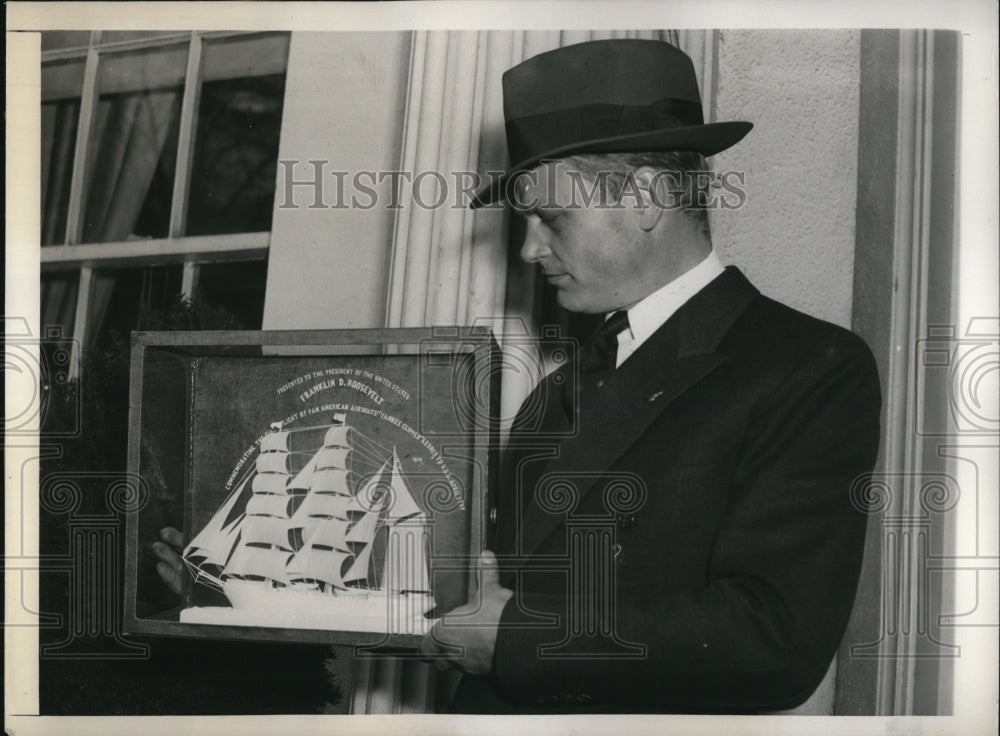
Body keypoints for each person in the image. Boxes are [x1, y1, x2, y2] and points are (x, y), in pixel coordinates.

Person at [415, 38, 882, 714]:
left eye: (550, 218)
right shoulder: (555, 393)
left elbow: (774, 639)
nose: (528, 249)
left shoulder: (809, 368)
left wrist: (518, 640)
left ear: (646, 198)